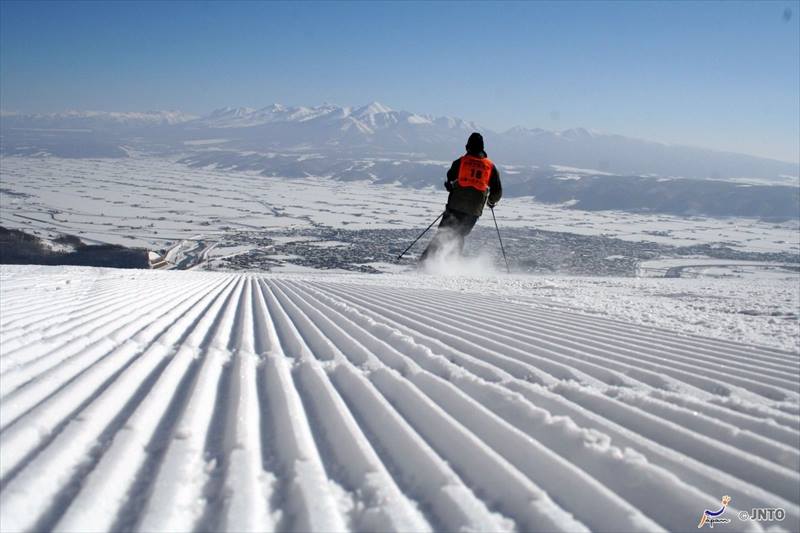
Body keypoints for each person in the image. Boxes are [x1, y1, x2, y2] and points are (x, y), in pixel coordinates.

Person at [419, 132, 502, 264]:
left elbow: (450, 181)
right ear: (483, 148)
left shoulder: (460, 162)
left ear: (467, 146)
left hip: (455, 206)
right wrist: (491, 201)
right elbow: (497, 190)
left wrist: (451, 188)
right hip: (474, 210)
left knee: (443, 234)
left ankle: (425, 263)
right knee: (459, 235)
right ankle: (452, 264)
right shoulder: (490, 167)